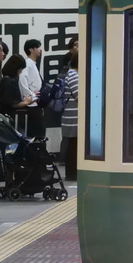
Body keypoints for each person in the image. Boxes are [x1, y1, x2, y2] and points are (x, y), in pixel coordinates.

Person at [19, 39, 45, 139]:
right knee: (37, 132)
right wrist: (31, 95)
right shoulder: (27, 64)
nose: (40, 50)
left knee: (39, 131)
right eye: (37, 47)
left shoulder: (32, 64)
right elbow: (22, 81)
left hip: (35, 102)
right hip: (31, 104)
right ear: (31, 49)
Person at [0, 54, 35, 120]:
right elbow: (13, 104)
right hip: (9, 115)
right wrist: (27, 102)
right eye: (20, 69)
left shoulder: (6, 79)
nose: (21, 71)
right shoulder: (10, 82)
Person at [60, 53, 80, 181]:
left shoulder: (72, 74)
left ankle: (72, 173)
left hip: (72, 116)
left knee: (73, 144)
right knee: (73, 145)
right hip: (73, 116)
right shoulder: (73, 75)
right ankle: (72, 173)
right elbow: (79, 94)